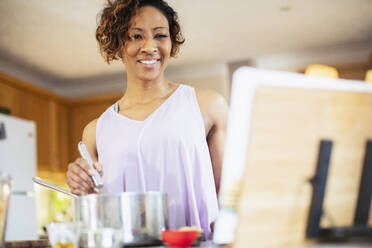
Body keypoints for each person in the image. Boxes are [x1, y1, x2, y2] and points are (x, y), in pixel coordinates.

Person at [66, 0, 228, 239]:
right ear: (118, 44)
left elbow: (230, 196)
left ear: (171, 43)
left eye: (160, 35)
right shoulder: (96, 131)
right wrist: (81, 185)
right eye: (136, 36)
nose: (150, 46)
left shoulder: (207, 105)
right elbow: (97, 214)